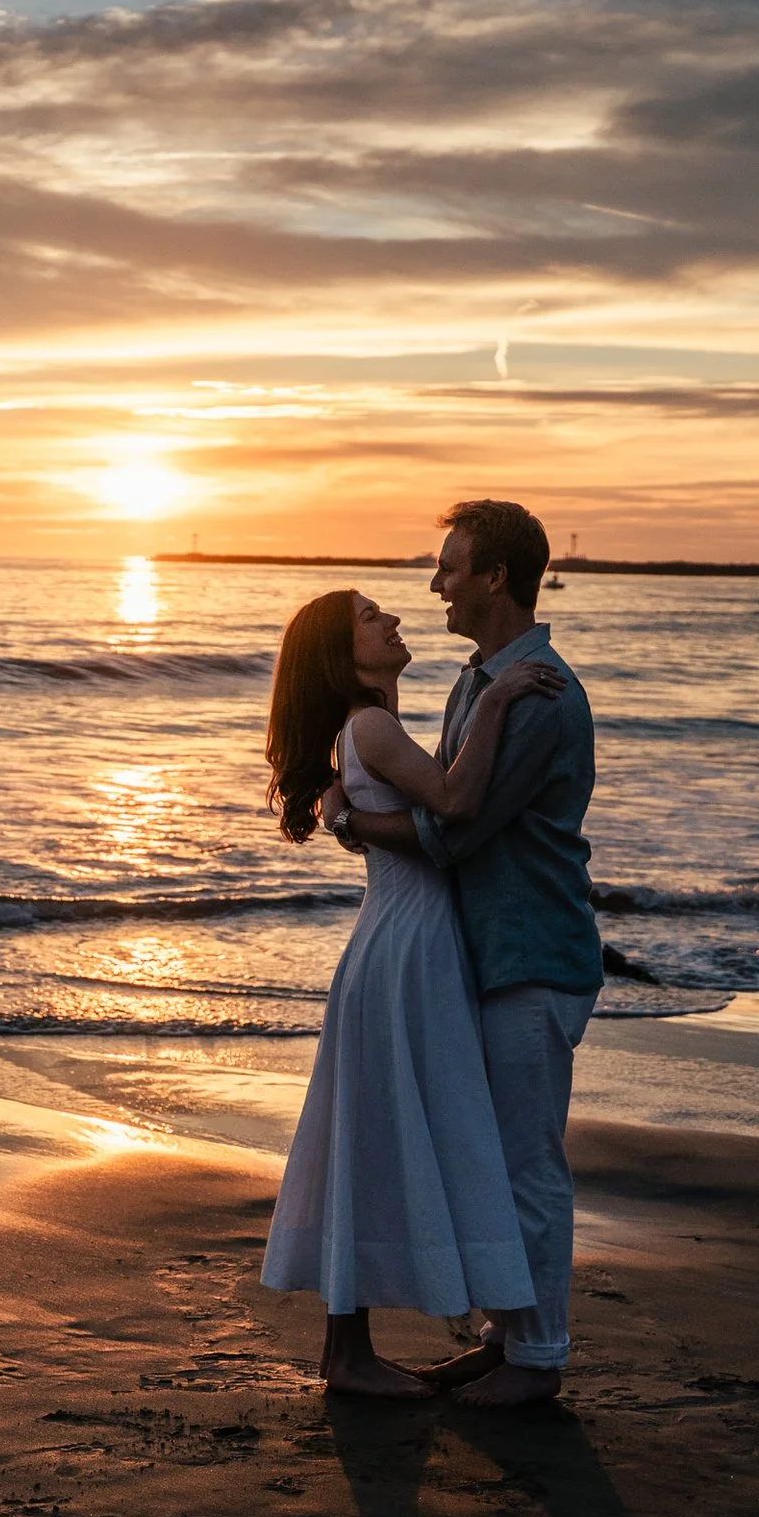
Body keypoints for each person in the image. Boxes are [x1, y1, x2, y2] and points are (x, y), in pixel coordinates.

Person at [323, 499, 602, 1407]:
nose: (436, 585)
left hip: (531, 954)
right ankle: (507, 1337)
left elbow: (456, 829)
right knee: (492, 1155)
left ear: (495, 577)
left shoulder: (538, 692)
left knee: (525, 1164)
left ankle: (539, 1359)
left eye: (449, 567)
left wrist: (351, 822)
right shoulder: (478, 682)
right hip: (485, 955)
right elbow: (445, 795)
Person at [259, 586, 563, 1397]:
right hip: (408, 950)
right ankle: (352, 1356)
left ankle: (350, 1351)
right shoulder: (370, 727)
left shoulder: (365, 731)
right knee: (393, 1130)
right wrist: (495, 702)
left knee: (373, 1133)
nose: (392, 619)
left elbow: (421, 812)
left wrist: (348, 818)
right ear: (341, 654)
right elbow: (457, 804)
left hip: (401, 945)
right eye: (370, 617)